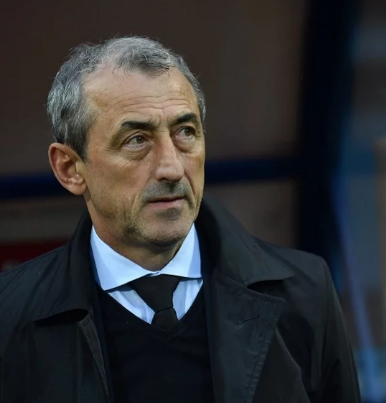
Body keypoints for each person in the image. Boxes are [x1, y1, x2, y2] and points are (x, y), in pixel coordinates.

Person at [0, 36, 360, 403]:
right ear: (70, 168)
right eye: (136, 140)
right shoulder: (9, 315)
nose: (172, 168)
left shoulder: (305, 292)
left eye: (185, 132)